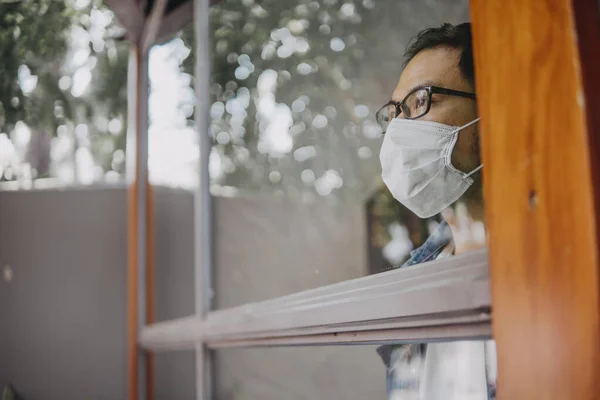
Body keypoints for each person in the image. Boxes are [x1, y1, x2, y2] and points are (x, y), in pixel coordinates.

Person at [376, 23, 496, 400]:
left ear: (491, 110)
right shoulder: (408, 291)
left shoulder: (564, 267)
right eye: (394, 112)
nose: (397, 129)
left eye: (420, 101)